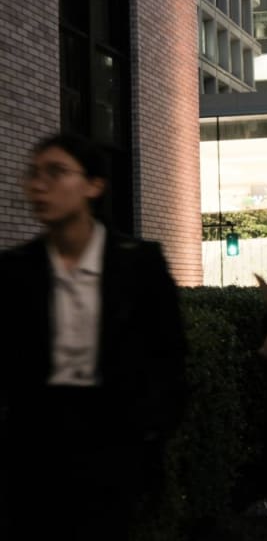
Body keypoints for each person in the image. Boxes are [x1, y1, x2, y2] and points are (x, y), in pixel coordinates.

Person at [0, 133, 186, 540]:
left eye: (56, 172)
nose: (39, 184)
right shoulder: (15, 269)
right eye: (33, 173)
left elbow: (169, 358)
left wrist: (149, 434)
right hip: (35, 449)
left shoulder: (139, 263)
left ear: (94, 185)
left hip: (114, 445)